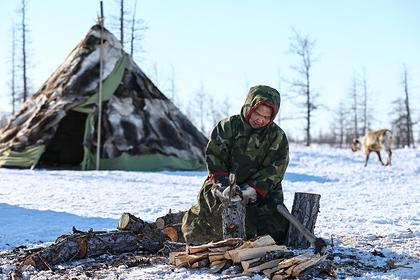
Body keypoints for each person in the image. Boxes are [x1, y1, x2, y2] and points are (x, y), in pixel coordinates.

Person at [182, 85, 290, 245]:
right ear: (249, 107)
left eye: (266, 117)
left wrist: (253, 189)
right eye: (257, 113)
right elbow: (215, 157)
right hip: (223, 186)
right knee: (212, 225)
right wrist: (223, 185)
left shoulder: (277, 136)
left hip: (262, 192)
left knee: (274, 231)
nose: (260, 119)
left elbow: (275, 168)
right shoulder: (228, 127)